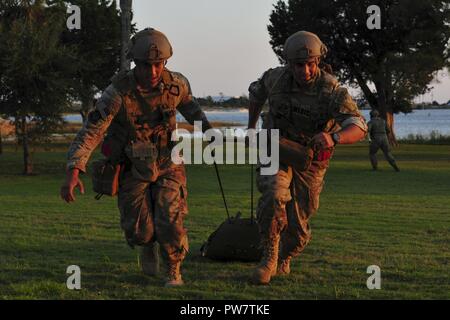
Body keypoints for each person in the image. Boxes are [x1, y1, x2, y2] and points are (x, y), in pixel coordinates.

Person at [60, 28, 212, 287]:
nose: (152, 72)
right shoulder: (118, 92)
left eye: (157, 65)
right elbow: (92, 131)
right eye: (145, 65)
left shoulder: (177, 85)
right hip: (132, 165)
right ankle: (146, 246)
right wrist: (74, 170)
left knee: (171, 218)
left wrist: (208, 130)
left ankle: (173, 269)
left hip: (168, 161)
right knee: (140, 231)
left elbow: (190, 106)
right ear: (135, 63)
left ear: (165, 62)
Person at [247, 31, 368, 285]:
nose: (305, 70)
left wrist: (334, 138)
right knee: (274, 194)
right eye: (298, 65)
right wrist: (251, 126)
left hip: (311, 159)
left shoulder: (331, 89)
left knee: (299, 228)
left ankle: (284, 256)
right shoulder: (275, 79)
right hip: (276, 148)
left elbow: (358, 125)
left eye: (310, 64)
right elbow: (256, 94)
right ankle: (268, 256)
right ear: (289, 63)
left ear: (318, 61)